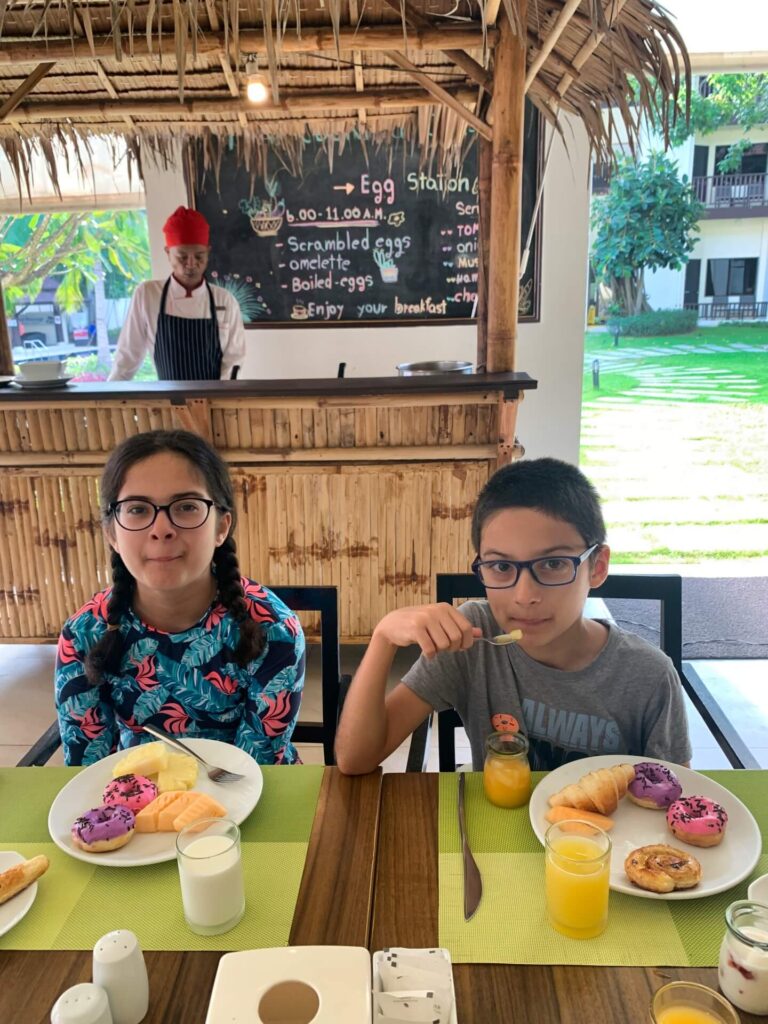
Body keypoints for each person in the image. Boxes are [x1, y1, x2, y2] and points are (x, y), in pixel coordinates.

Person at [335, 457, 691, 773]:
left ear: (596, 567)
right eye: (502, 566)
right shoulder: (472, 640)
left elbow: (678, 795)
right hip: (492, 835)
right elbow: (355, 760)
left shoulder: (647, 677)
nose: (525, 596)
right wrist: (382, 638)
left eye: (553, 564)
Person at [55, 429, 305, 766]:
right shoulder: (85, 634)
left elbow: (256, 768)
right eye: (138, 509)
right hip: (139, 800)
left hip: (251, 793)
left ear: (221, 526)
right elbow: (89, 766)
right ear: (111, 532)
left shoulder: (272, 630)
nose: (162, 528)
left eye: (186, 506)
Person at [108, 207, 246, 381]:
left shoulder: (225, 300)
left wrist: (221, 400)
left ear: (208, 252)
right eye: (182, 256)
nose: (191, 264)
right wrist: (109, 398)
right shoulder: (148, 294)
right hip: (167, 404)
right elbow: (127, 356)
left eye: (199, 256)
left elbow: (234, 359)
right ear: (168, 253)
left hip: (215, 401)